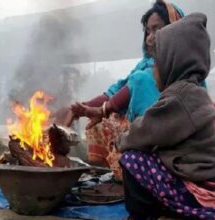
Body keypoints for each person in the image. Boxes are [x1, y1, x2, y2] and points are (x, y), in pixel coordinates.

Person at [115, 13, 215, 219]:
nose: (153, 73)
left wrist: (121, 140)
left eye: (157, 65)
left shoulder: (178, 96)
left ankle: (142, 215)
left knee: (132, 159)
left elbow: (146, 131)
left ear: (173, 64)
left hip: (194, 190)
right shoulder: (193, 91)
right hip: (207, 183)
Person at [68, 0, 187, 174]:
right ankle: (112, 170)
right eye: (148, 31)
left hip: (172, 139)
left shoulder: (184, 64)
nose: (150, 37)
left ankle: (147, 166)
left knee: (137, 84)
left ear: (175, 30)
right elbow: (116, 91)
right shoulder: (145, 64)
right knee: (98, 126)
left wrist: (103, 110)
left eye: (157, 29)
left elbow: (134, 85)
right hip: (146, 132)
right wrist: (80, 109)